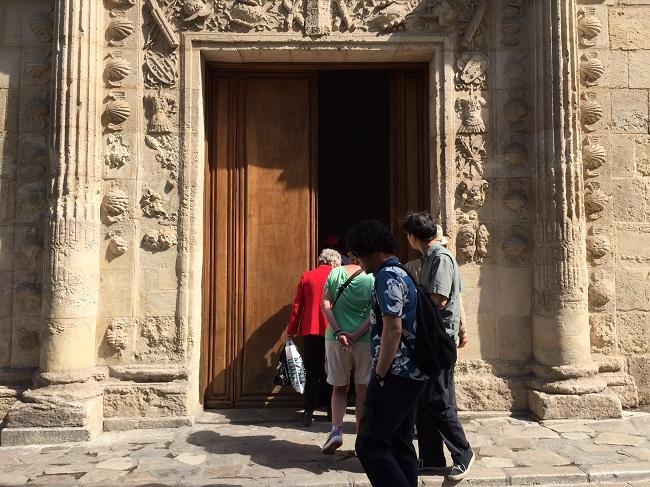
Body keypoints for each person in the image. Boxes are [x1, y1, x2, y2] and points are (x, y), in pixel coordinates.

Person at [347, 220, 426, 487]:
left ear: (371, 250)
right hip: (412, 372)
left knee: (370, 444)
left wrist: (379, 374)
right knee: (399, 442)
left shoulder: (387, 276)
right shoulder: (404, 273)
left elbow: (393, 328)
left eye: (358, 255)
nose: (358, 262)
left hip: (396, 373)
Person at [403, 212, 474, 481]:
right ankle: (432, 457)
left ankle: (463, 453)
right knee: (425, 399)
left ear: (412, 237)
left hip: (438, 339)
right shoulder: (429, 259)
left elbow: (440, 299)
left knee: (439, 399)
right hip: (429, 337)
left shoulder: (441, 259)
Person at [320, 254, 374, 454]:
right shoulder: (371, 277)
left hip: (336, 339)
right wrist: (355, 334)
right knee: (363, 390)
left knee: (339, 387)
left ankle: (336, 430)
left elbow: (325, 305)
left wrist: (339, 332)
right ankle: (361, 438)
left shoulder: (334, 273)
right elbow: (374, 312)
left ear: (349, 255)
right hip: (364, 340)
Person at [286, 249, 341, 426]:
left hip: (311, 329)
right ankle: (332, 412)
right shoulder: (337, 276)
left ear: (321, 260)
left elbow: (297, 306)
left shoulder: (307, 276)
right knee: (331, 370)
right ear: (333, 262)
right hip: (333, 329)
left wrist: (292, 330)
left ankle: (309, 410)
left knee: (312, 370)